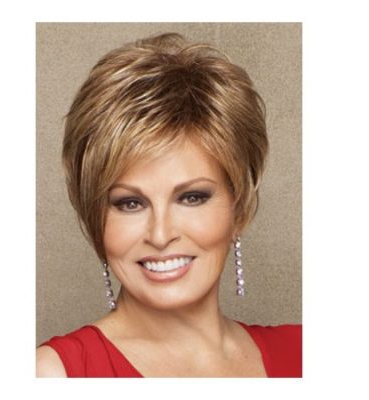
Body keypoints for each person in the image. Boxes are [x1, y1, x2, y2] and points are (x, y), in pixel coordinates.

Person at [36, 32, 302, 378]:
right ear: (96, 218)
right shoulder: (53, 374)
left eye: (191, 197)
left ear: (239, 207)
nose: (160, 235)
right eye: (130, 203)